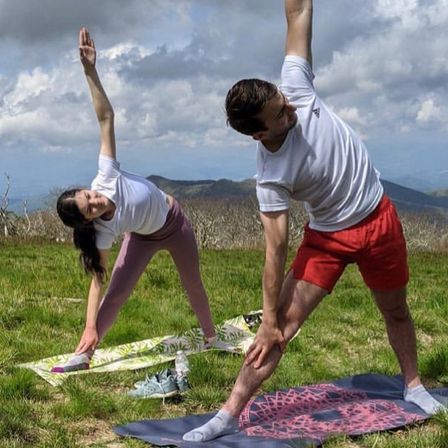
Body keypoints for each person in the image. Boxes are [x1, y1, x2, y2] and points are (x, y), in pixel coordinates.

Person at [183, 0, 445, 441]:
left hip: (379, 218)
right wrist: (267, 318)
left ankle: (414, 385)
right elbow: (275, 250)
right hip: (327, 239)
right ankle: (227, 414)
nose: (293, 110)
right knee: (279, 330)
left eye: (285, 101)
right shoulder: (271, 176)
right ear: (259, 133)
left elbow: (298, 10)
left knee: (395, 309)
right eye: (281, 114)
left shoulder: (294, 91)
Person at [52, 28, 219, 373]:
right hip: (141, 238)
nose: (95, 200)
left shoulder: (106, 175)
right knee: (116, 293)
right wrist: (88, 325)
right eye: (90, 208)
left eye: (88, 195)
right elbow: (97, 280)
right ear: (88, 221)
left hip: (175, 223)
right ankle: (84, 355)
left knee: (193, 282)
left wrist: (89, 71)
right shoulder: (101, 232)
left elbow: (106, 118)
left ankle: (211, 338)